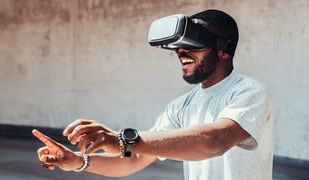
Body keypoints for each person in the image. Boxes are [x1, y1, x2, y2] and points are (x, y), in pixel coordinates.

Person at [33, 9, 273, 180]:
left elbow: (215, 141)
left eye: (193, 43)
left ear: (224, 50)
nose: (181, 52)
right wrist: (78, 161)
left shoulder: (249, 91)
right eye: (178, 46)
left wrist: (120, 139)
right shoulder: (181, 106)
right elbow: (135, 158)